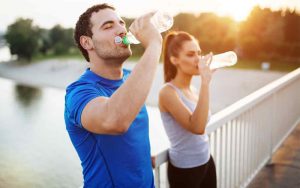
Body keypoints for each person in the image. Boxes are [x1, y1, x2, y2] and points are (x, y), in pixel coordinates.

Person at [64, 3, 162, 187]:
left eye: (121, 23)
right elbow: (114, 120)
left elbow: (129, 139)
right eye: (108, 26)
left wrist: (140, 158)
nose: (121, 31)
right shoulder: (78, 93)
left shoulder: (130, 78)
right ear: (87, 42)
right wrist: (154, 45)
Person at [158, 31, 217, 188]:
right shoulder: (167, 92)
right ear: (175, 60)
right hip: (185, 170)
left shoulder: (193, 89)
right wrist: (205, 82)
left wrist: (204, 84)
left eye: (199, 53)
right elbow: (197, 127)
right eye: (191, 54)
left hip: (206, 160)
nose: (198, 59)